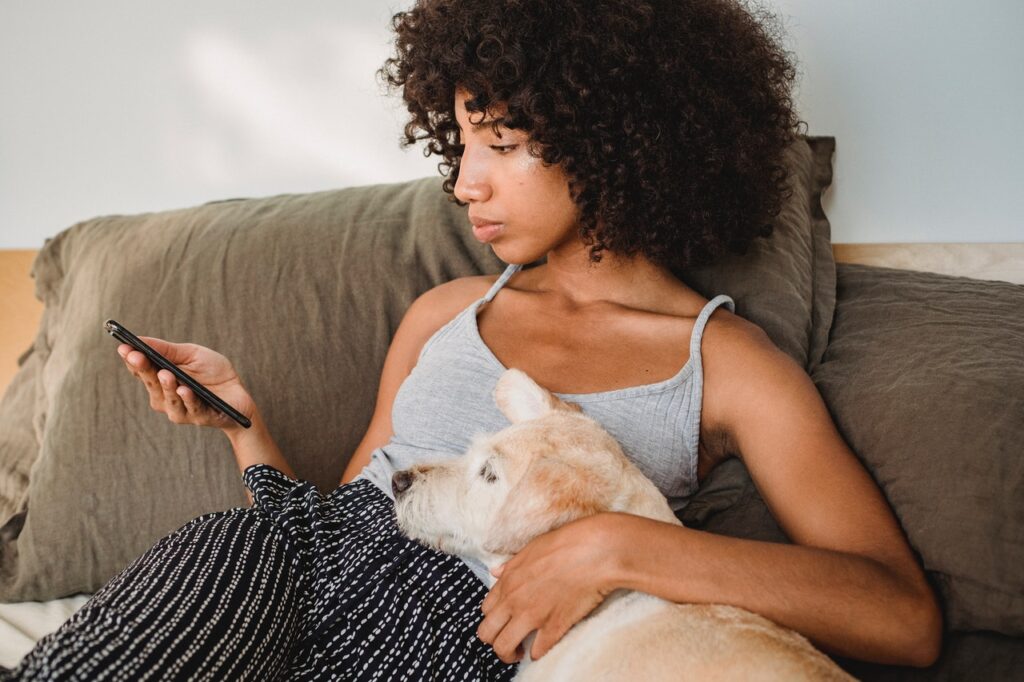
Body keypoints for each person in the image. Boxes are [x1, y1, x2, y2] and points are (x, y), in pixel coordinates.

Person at [3, 0, 942, 679]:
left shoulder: (727, 366)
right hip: (280, 567)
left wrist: (617, 548)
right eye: (458, 147)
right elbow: (342, 523)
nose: (464, 185)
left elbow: (900, 618)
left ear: (614, 134)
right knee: (228, 549)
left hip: (477, 625)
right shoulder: (443, 311)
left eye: (498, 143)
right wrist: (245, 425)